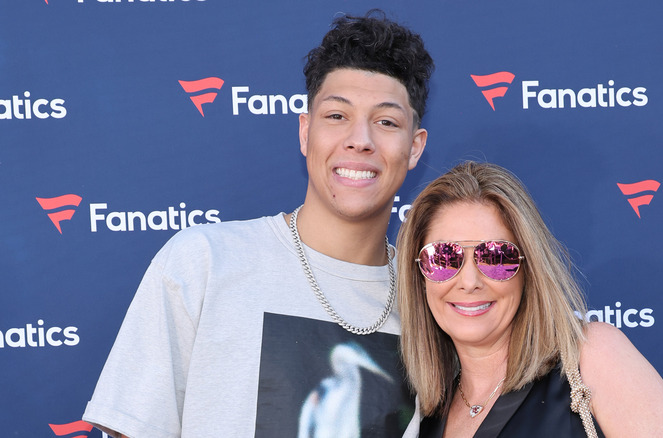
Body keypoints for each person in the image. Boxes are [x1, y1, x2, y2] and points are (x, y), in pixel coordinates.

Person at [83, 10, 433, 438]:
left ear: (414, 148)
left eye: (386, 122)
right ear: (305, 132)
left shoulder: (434, 300)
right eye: (337, 116)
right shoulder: (205, 263)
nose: (360, 139)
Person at [397, 162, 663, 437]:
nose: (470, 282)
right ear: (419, 275)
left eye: (497, 257)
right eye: (443, 258)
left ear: (529, 269)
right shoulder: (422, 418)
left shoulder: (591, 357)